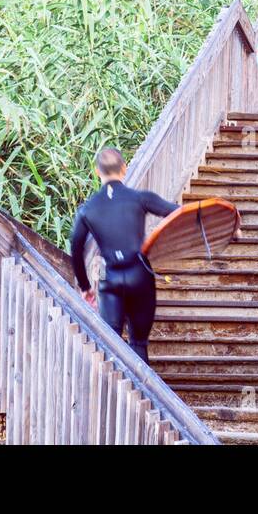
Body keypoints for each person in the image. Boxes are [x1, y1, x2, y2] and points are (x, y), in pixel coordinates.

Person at [69, 147, 178, 364]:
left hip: (112, 279)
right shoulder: (140, 198)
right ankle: (143, 396)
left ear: (97, 172)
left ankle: (109, 396)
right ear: (124, 169)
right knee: (138, 343)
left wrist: (85, 287)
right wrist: (228, 226)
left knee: (110, 346)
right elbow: (177, 211)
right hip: (140, 276)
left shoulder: (87, 209)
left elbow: (76, 247)